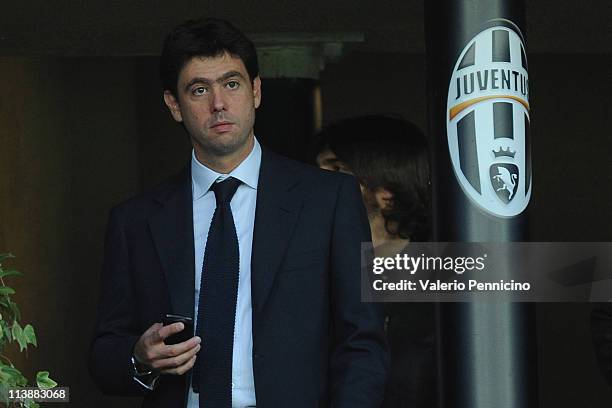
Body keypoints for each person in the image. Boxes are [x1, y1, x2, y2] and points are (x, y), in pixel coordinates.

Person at [89, 18, 388, 408]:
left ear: (256, 91)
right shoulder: (135, 221)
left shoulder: (328, 200)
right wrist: (139, 356)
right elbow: (103, 356)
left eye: (232, 84)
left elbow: (362, 340)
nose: (219, 104)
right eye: (199, 90)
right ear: (174, 106)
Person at [316, 115, 437, 408]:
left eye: (335, 169)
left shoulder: (449, 283)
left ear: (387, 191)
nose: (315, 182)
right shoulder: (310, 270)